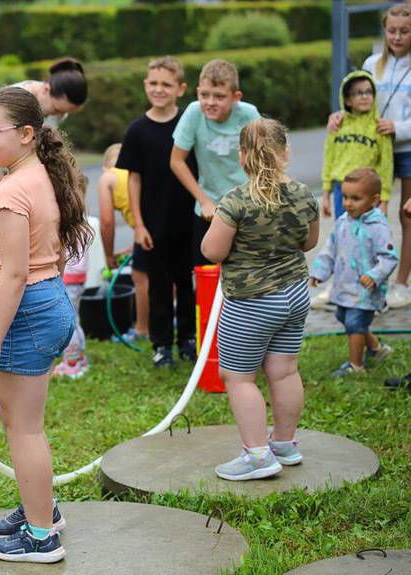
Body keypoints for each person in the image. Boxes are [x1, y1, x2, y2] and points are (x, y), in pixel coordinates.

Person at [0, 86, 91, 563]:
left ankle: (41, 537)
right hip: (48, 302)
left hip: (25, 312)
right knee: (23, 424)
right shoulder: (40, 174)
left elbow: (14, 275)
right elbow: (54, 253)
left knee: (23, 430)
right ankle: (41, 508)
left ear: (26, 134)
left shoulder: (9, 192)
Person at [201, 118, 320, 481]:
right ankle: (284, 444)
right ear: (286, 152)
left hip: (253, 303)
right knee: (285, 371)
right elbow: (309, 242)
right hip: (295, 295)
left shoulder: (236, 201)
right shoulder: (303, 194)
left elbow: (212, 251)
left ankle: (257, 457)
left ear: (242, 157)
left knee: (239, 378)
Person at [328, 2, 411, 308]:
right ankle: (356, 282)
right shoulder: (372, 63)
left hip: (406, 148)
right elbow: (357, 100)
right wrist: (340, 116)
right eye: (392, 31)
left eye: (405, 31)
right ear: (384, 31)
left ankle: (401, 283)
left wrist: (398, 128)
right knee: (365, 218)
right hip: (372, 152)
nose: (397, 37)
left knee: (406, 215)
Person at [118, 56, 197, 368]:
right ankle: (162, 344)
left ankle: (188, 338)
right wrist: (139, 225)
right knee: (159, 285)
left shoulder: (190, 123)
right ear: (145, 85)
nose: (159, 89)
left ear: (181, 89)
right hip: (154, 223)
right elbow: (134, 179)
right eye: (153, 83)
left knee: (187, 283)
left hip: (190, 220)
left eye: (166, 84)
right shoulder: (138, 130)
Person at [0, 58, 88, 223]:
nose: (58, 116)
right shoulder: (12, 104)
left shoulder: (55, 107)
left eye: (64, 113)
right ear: (46, 89)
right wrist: (13, 200)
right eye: (56, 110)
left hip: (0, 190)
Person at [170, 59, 260, 266]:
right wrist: (204, 201)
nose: (210, 102)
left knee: (247, 270)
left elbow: (263, 159)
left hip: (246, 207)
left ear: (236, 97)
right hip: (209, 208)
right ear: (197, 92)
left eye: (219, 96)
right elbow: (176, 161)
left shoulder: (249, 114)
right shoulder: (194, 113)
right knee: (207, 271)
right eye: (204, 95)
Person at [310, 168, 398, 377]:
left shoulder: (378, 226)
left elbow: (389, 257)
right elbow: (330, 249)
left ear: (374, 200)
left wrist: (375, 275)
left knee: (355, 324)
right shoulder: (343, 222)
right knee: (344, 317)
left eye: (356, 198)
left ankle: (356, 366)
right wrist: (319, 271)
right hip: (344, 285)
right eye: (345, 197)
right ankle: (377, 349)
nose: (348, 203)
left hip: (365, 289)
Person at [322, 70, 393, 220]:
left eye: (369, 92)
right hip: (342, 188)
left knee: (370, 230)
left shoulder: (380, 127)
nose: (365, 96)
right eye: (359, 93)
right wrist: (326, 194)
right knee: (344, 229)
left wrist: (384, 200)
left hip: (368, 189)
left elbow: (386, 165)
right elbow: (329, 160)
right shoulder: (337, 125)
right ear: (347, 100)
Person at [98, 143, 150, 346]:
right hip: (162, 224)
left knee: (140, 276)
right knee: (166, 273)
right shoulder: (137, 171)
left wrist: (109, 255)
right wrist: (133, 249)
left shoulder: (108, 177)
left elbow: (106, 222)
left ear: (104, 167)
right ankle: (169, 317)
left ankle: (142, 329)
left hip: (146, 229)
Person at [54, 172, 91, 378]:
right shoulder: (80, 218)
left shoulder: (66, 221)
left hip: (68, 276)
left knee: (67, 321)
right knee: (75, 318)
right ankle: (80, 357)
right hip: (78, 278)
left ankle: (72, 362)